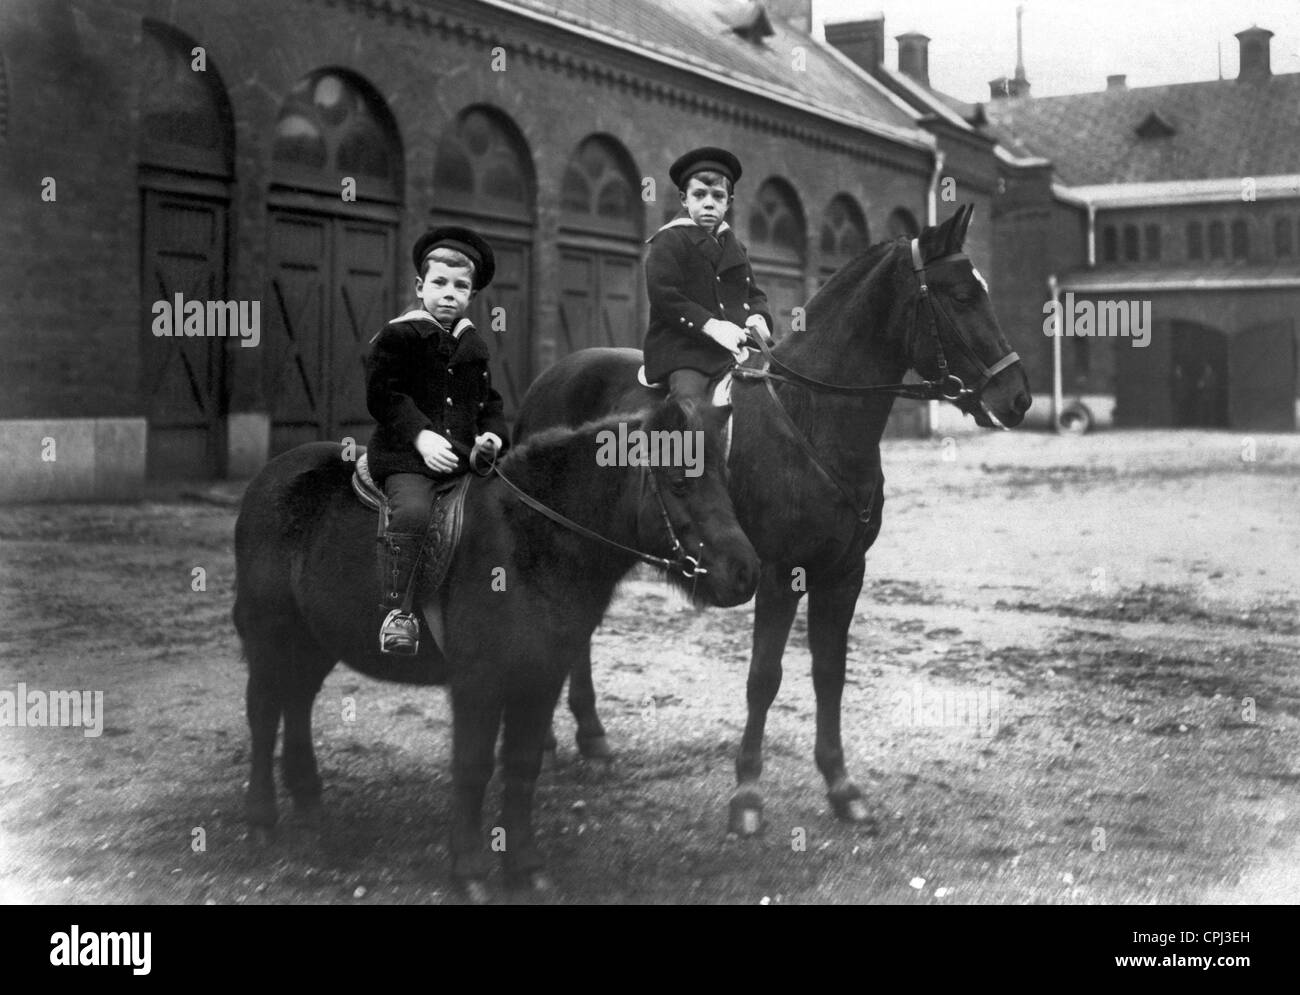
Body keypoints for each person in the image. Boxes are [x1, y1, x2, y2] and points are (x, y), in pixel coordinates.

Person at [364, 226, 507, 655]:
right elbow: (383, 395)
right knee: (412, 513)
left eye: (461, 286)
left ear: (471, 295)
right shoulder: (399, 336)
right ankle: (399, 611)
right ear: (419, 286)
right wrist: (420, 436)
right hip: (407, 458)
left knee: (500, 516)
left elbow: (489, 402)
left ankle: (487, 604)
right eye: (440, 283)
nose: (449, 294)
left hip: (463, 460)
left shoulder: (473, 345)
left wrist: (491, 438)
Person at [642, 146, 774, 404]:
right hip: (684, 349)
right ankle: (674, 445)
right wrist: (711, 326)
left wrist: (759, 318)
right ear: (684, 199)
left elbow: (753, 294)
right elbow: (665, 296)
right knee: (689, 405)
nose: (709, 204)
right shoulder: (669, 240)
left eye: (718, 196)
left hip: (736, 347)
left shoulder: (734, 245)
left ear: (729, 202)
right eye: (699, 195)